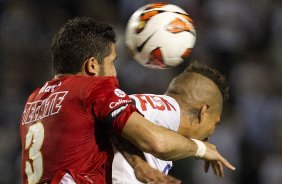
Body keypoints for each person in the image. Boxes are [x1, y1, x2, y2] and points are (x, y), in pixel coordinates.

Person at [19, 17, 235, 184]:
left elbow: (110, 127)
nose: (114, 73)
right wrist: (201, 149)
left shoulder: (35, 100)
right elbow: (155, 142)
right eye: (112, 62)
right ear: (92, 66)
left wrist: (139, 163)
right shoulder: (93, 88)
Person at [112, 62, 232, 183]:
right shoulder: (168, 112)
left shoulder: (160, 114)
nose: (211, 133)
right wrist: (201, 149)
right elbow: (116, 115)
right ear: (204, 112)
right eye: (215, 123)